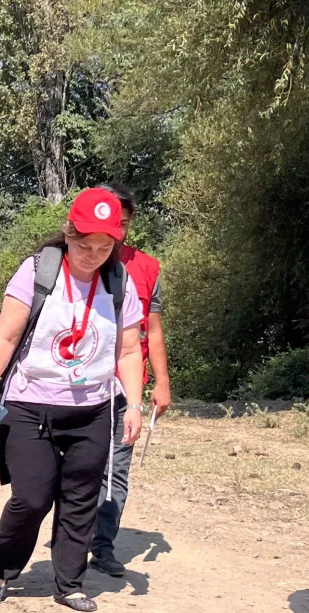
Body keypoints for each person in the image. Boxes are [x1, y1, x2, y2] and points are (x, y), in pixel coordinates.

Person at [0, 188, 146, 613]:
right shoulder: (36, 273)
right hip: (31, 405)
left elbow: (128, 350)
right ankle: (1, 567)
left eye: (105, 247)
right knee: (31, 498)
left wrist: (134, 404)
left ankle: (69, 583)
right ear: (68, 232)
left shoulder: (119, 282)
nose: (93, 255)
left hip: (93, 410)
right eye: (84, 245)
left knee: (82, 498)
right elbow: (6, 336)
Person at [88, 182, 171, 577]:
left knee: (116, 467)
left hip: (125, 387)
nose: (114, 232)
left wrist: (162, 382)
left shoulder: (147, 268)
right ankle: (71, 533)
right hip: (77, 382)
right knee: (76, 466)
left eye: (122, 223)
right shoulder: (75, 259)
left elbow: (151, 330)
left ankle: (103, 546)